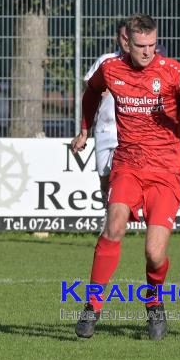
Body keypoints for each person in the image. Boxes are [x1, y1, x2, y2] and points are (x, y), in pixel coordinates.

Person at [70, 13, 180, 341]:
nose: (148, 52)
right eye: (141, 46)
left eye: (152, 45)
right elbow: (91, 94)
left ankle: (154, 304)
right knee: (114, 226)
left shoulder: (172, 71)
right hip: (127, 165)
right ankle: (92, 307)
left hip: (165, 172)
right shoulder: (111, 69)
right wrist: (84, 127)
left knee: (154, 253)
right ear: (127, 42)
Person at [71, 19, 129, 224]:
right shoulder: (106, 61)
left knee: (125, 176)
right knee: (105, 179)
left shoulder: (143, 64)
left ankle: (125, 219)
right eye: (123, 36)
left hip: (129, 132)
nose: (126, 40)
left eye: (129, 36)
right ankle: (109, 217)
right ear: (118, 37)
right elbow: (91, 89)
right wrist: (84, 131)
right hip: (105, 129)